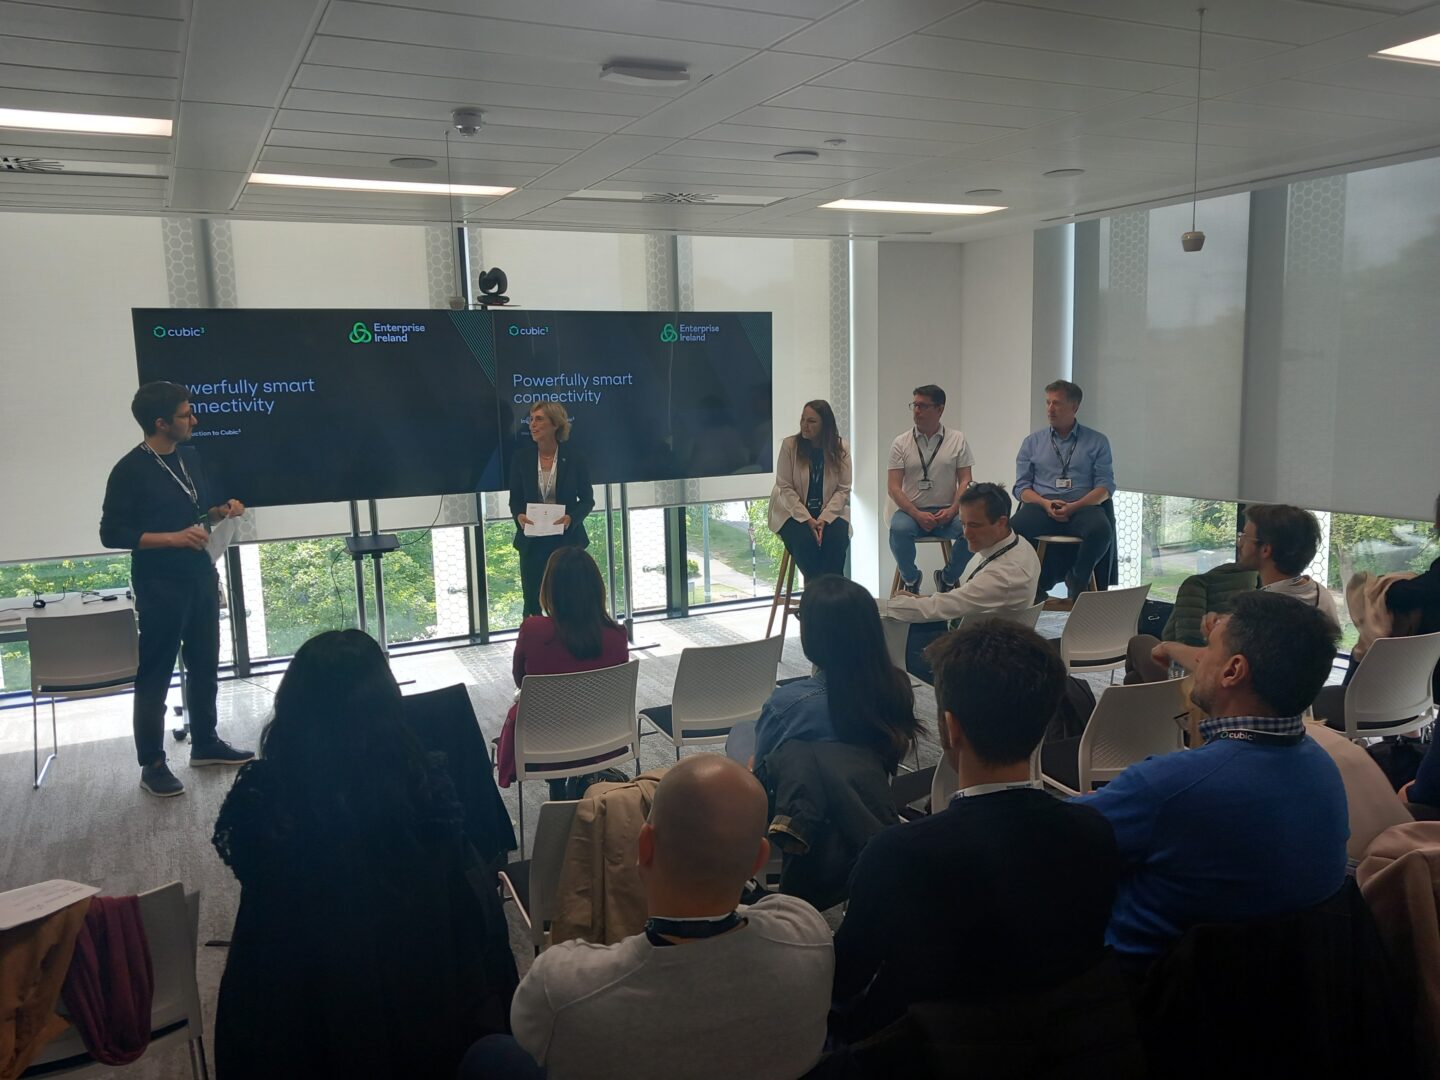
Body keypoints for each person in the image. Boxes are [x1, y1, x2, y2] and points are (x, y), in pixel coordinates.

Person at [211, 630, 519, 1078]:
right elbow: (479, 941)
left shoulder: (271, 820)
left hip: (302, 1037)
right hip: (429, 1026)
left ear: (290, 714)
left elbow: (256, 976)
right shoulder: (425, 803)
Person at [459, 754, 834, 1080]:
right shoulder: (809, 933)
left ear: (644, 846)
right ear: (758, 859)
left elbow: (531, 1039)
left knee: (488, 1055)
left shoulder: (562, 986)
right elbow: (756, 907)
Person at [831, 621, 1120, 1043]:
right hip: (1060, 1045)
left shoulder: (897, 855)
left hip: (921, 1052)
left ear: (951, 728)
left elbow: (844, 981)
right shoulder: (1094, 833)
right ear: (1044, 721)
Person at [1078, 590, 1349, 964]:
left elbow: (1051, 840)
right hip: (1276, 985)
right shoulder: (1324, 770)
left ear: (1233, 671)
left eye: (1208, 649)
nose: (1199, 658)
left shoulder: (1168, 786)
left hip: (1144, 983)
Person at [99, 381, 251, 798]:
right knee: (156, 674)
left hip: (200, 574)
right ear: (161, 423)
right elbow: (111, 534)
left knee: (204, 664)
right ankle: (152, 763)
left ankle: (205, 742)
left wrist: (221, 512)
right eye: (186, 415)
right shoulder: (129, 470)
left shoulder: (190, 457)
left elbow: (196, 511)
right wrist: (172, 538)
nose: (194, 420)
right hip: (159, 583)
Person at [1126, 503, 1336, 682]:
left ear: (1265, 550)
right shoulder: (1322, 597)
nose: (1239, 542)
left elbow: (1210, 666)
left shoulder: (1260, 613)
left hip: (1233, 700)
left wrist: (1168, 647)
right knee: (1135, 681)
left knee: (1141, 644)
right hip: (1297, 703)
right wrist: (1225, 630)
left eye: (1245, 536)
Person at [752, 575, 919, 775]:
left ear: (813, 633)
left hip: (800, 793)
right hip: (873, 791)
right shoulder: (897, 686)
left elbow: (762, 774)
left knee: (741, 735)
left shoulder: (785, 706)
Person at [496, 546, 628, 788]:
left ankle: (558, 786)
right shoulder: (617, 635)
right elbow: (614, 689)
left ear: (550, 588)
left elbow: (520, 680)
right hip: (601, 734)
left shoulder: (533, 630)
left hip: (541, 738)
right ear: (597, 588)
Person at [1011, 379, 1115, 605]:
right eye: (1048, 402)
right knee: (1012, 529)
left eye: (1056, 403)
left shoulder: (1097, 441)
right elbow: (1021, 488)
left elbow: (1105, 487)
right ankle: (1033, 589)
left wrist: (1075, 506)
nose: (1050, 409)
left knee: (1100, 530)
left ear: (1074, 407)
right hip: (1042, 506)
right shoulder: (1032, 442)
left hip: (1082, 506)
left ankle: (1078, 580)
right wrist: (1044, 503)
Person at [886, 482, 1040, 625]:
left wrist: (882, 607)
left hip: (983, 640)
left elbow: (935, 609)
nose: (966, 533)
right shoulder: (1021, 546)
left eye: (974, 525)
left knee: (893, 626)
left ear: (1001, 522)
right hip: (998, 631)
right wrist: (921, 599)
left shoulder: (1002, 577)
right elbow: (960, 600)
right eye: (963, 524)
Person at [509, 400, 594, 618]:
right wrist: (519, 516)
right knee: (532, 604)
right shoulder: (521, 458)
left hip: (565, 540)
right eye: (531, 420)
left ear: (555, 424)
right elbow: (515, 500)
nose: (532, 424)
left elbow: (587, 500)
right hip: (532, 542)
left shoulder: (576, 459)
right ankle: (535, 638)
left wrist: (571, 518)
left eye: (539, 419)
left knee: (568, 601)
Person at [888, 385, 974, 595]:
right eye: (915, 405)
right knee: (898, 530)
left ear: (940, 409)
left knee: (972, 530)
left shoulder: (957, 439)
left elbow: (966, 480)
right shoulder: (901, 442)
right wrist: (916, 513)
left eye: (923, 406)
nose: (917, 411)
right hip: (911, 511)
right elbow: (893, 487)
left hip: (948, 511)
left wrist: (953, 510)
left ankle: (947, 578)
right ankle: (911, 579)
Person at [768, 399, 851, 580]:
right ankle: (817, 592)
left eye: (811, 421)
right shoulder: (790, 446)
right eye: (803, 419)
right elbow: (785, 487)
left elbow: (843, 489)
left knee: (837, 540)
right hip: (792, 512)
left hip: (829, 511)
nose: (805, 425)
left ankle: (832, 591)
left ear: (825, 425)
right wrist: (807, 519)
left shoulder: (841, 448)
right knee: (805, 542)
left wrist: (823, 519)